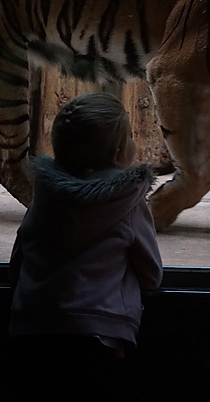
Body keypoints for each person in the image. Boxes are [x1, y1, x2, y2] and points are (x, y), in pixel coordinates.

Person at [8, 92, 163, 394]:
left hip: (33, 328)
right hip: (99, 333)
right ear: (119, 151)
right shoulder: (128, 202)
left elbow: (19, 260)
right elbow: (152, 275)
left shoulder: (45, 196)